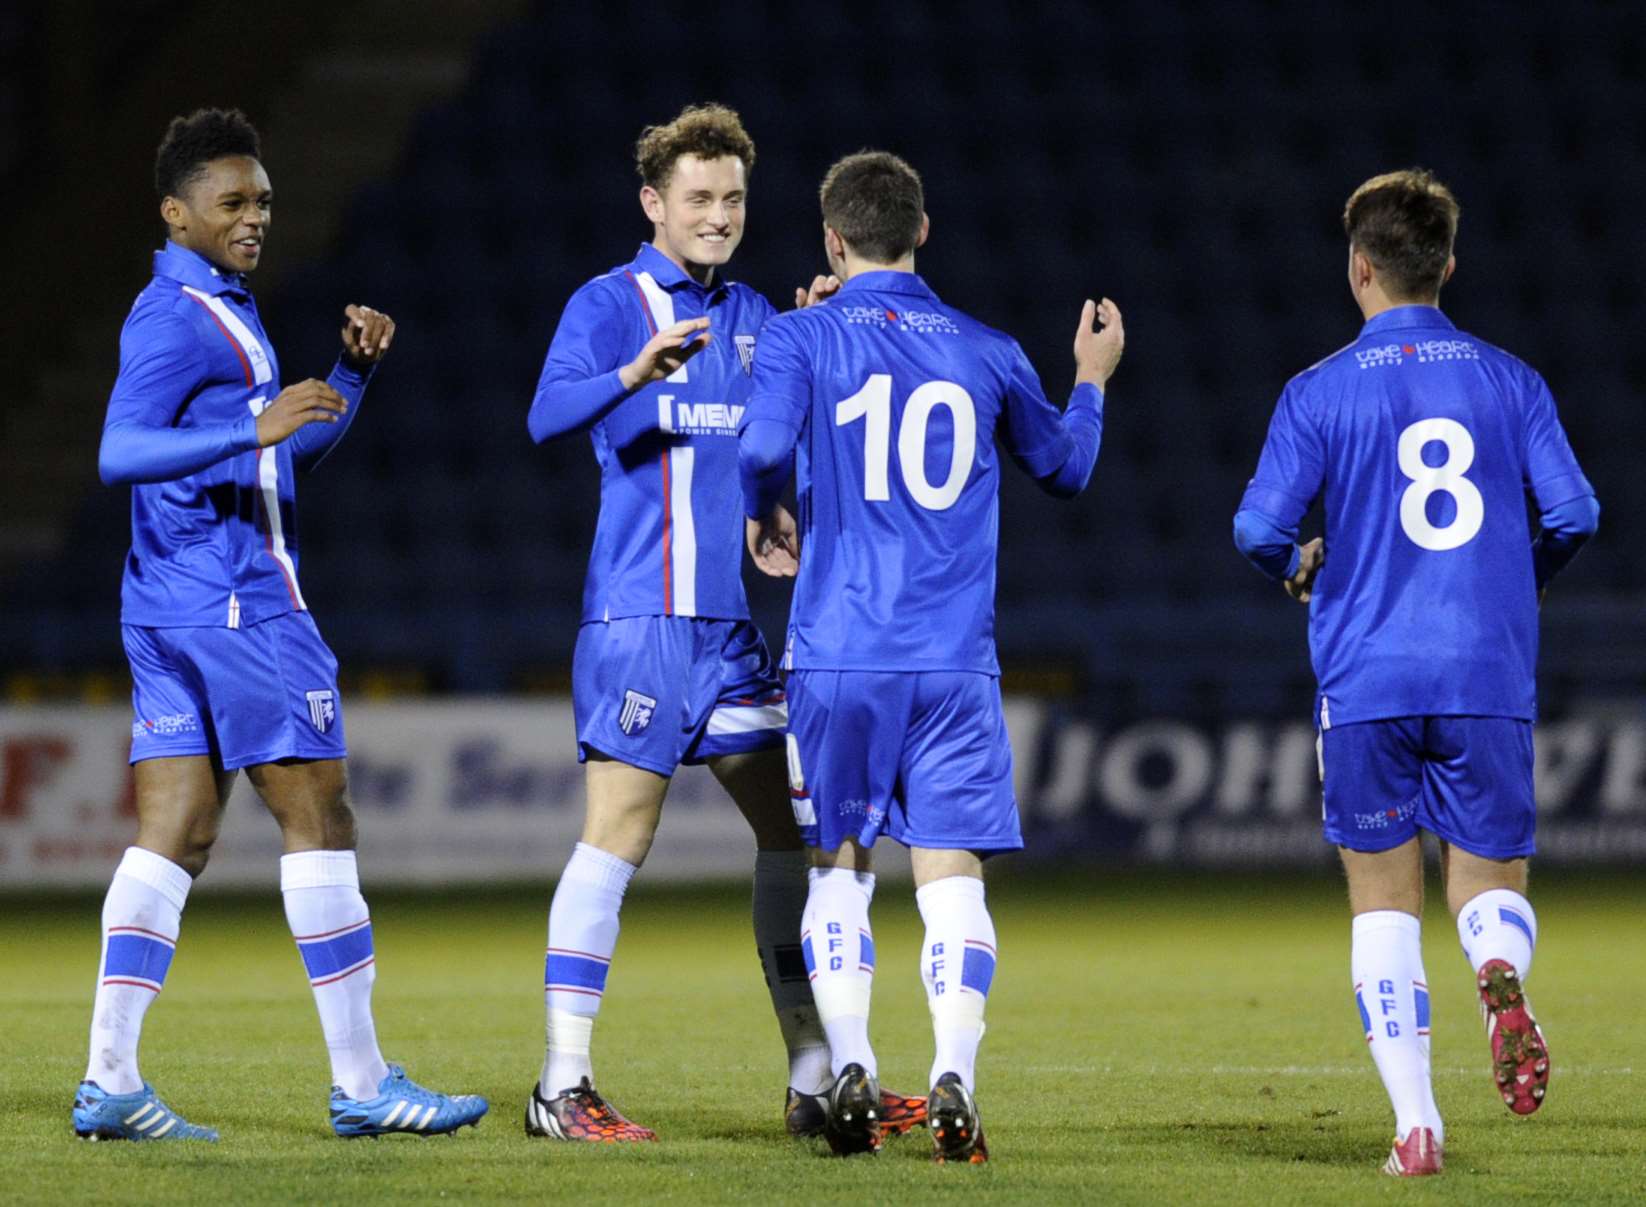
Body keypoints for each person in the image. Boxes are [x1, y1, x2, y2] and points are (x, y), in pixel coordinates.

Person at [76, 107, 488, 1142]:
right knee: (320, 815)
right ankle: (362, 1083)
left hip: (166, 601)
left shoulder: (222, 308)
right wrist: (243, 421)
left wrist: (347, 381)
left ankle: (110, 1080)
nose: (254, 216)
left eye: (261, 200)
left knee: (177, 831)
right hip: (236, 603)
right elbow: (118, 451)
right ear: (177, 214)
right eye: (232, 203)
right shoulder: (173, 316)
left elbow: (265, 457)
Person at [523, 104, 922, 1143]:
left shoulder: (756, 316)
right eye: (696, 198)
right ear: (652, 203)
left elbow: (774, 442)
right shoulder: (609, 305)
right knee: (619, 835)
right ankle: (561, 1084)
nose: (717, 215)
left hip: (731, 635)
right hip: (639, 619)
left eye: (733, 198)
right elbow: (543, 415)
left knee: (794, 835)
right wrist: (632, 371)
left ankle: (811, 1075)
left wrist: (820, 339)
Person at [738, 150, 1123, 1162]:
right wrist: (1086, 380)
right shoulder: (988, 349)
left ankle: (855, 1059)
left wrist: (767, 508)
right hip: (952, 662)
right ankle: (954, 1072)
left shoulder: (798, 335)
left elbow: (756, 447)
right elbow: (1065, 469)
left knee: (839, 864)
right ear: (922, 230)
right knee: (951, 877)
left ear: (831, 238)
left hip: (838, 657)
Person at [1232, 169, 1598, 1177]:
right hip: (1484, 667)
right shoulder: (1508, 380)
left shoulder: (1316, 390)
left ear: (1358, 268)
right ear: (1446, 265)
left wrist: (1296, 567)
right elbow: (1575, 513)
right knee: (1484, 878)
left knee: (1380, 902)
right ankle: (1494, 965)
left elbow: (1256, 526)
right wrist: (1511, 580)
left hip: (1366, 675)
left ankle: (1414, 1126)